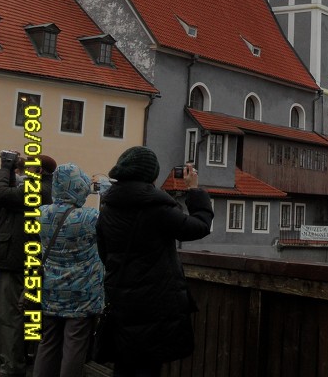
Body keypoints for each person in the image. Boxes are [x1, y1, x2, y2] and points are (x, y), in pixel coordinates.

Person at [96, 147, 213, 377]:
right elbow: (199, 227)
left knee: (125, 363)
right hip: (154, 304)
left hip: (121, 298)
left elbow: (104, 252)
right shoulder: (156, 208)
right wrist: (194, 189)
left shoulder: (108, 208)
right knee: (148, 365)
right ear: (151, 174)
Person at [32, 163, 103, 377]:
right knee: (74, 346)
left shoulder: (41, 213)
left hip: (51, 289)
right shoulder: (90, 217)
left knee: (48, 342)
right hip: (82, 293)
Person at [0, 152, 55, 377]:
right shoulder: (44, 188)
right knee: (31, 313)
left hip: (17, 258)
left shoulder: (36, 189)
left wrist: (5, 167)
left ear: (39, 170)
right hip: (27, 257)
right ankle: (29, 360)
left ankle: (12, 368)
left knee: (10, 315)